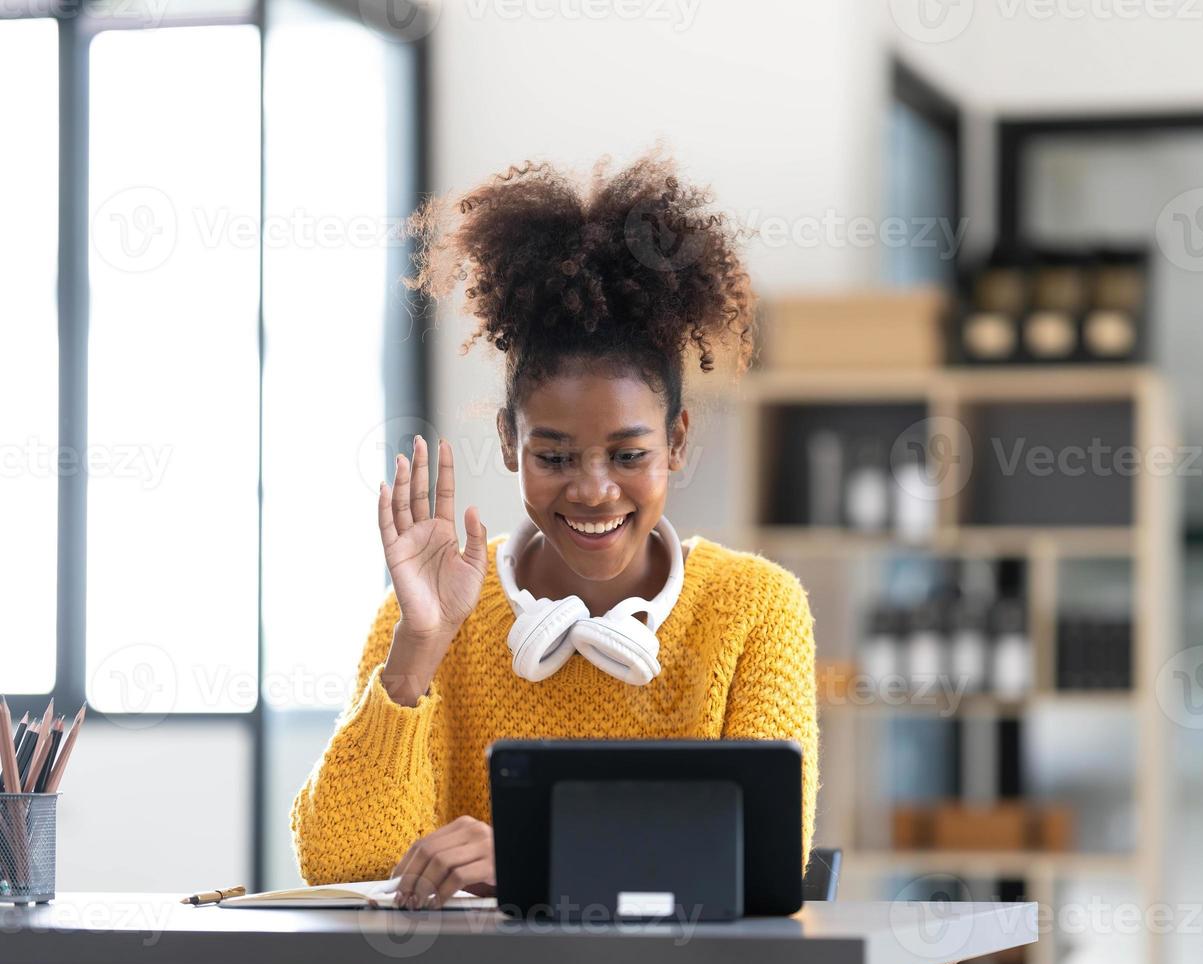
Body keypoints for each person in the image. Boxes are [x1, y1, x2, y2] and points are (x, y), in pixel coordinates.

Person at [290, 151, 820, 910]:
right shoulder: (435, 613)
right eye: (554, 455)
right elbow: (344, 864)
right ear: (509, 442)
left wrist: (533, 858)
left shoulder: (754, 607)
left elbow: (763, 862)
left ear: (677, 441)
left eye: (630, 454)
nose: (594, 489)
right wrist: (419, 650)